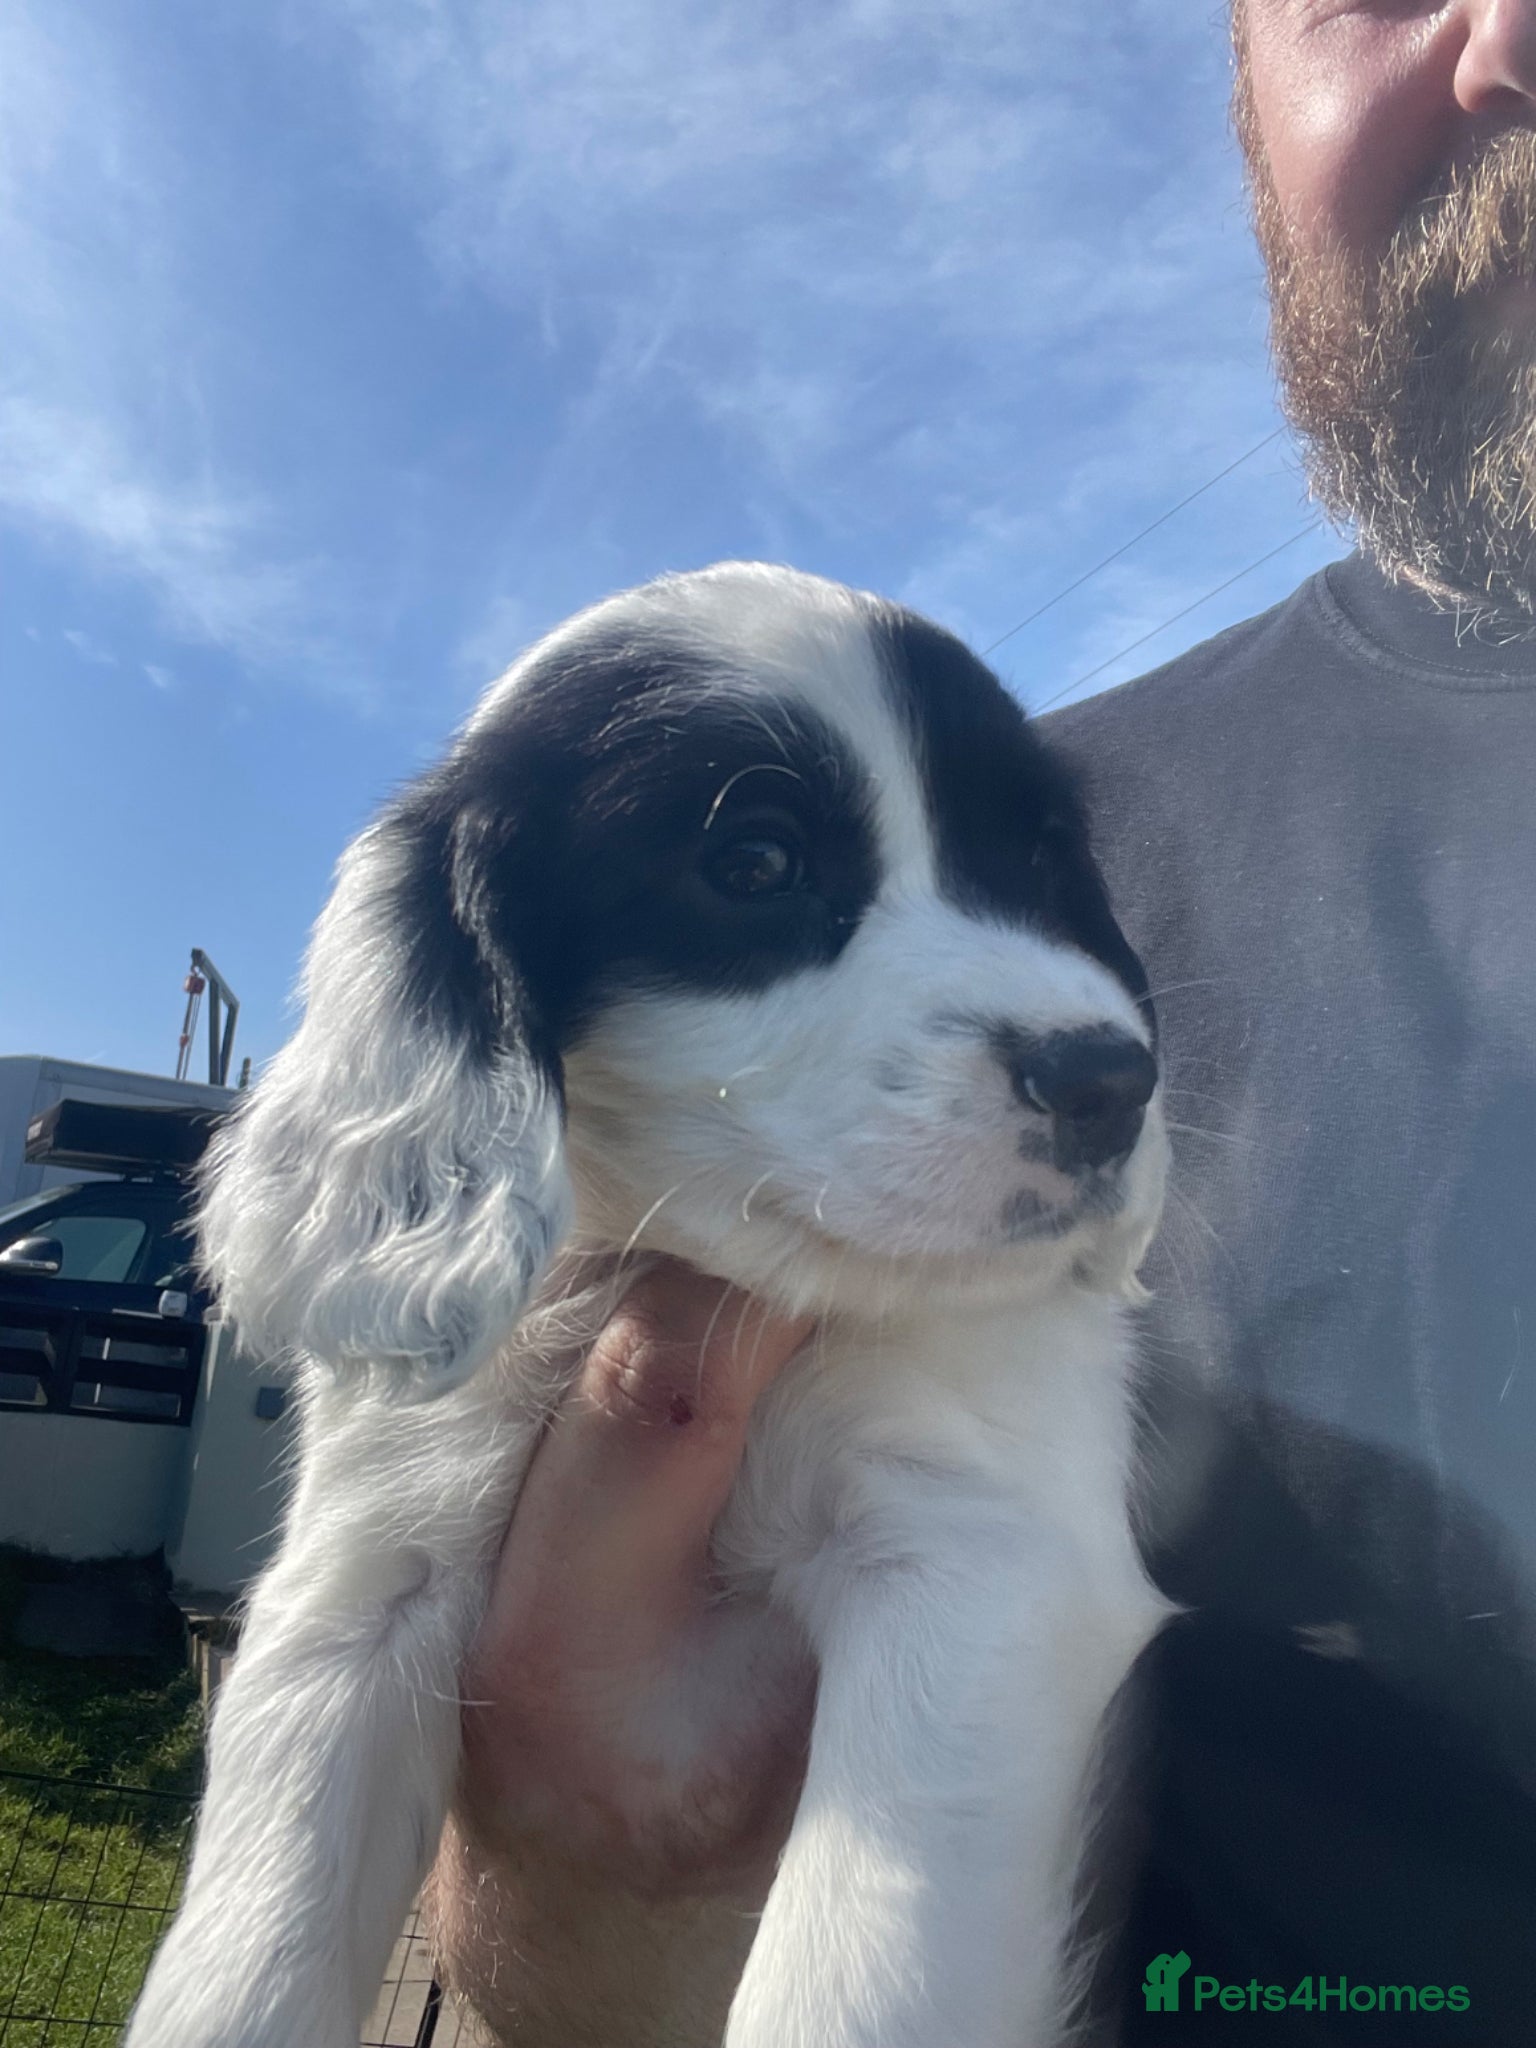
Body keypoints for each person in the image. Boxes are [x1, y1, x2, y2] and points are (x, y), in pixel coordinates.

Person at [427, 2, 1536, 2040]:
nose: (1514, 42)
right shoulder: (1042, 875)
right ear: (1244, 99)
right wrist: (589, 1879)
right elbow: (561, 1880)